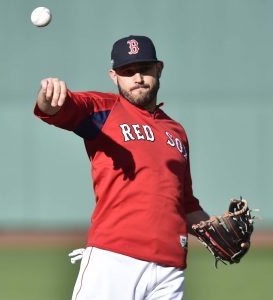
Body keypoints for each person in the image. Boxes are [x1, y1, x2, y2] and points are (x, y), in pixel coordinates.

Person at [34, 35, 209, 300]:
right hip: (114, 259)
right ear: (114, 76)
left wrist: (212, 228)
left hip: (170, 266)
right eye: (127, 72)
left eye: (144, 69)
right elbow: (59, 109)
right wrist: (49, 97)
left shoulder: (177, 132)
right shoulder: (102, 109)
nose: (137, 77)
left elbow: (184, 202)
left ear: (159, 69)